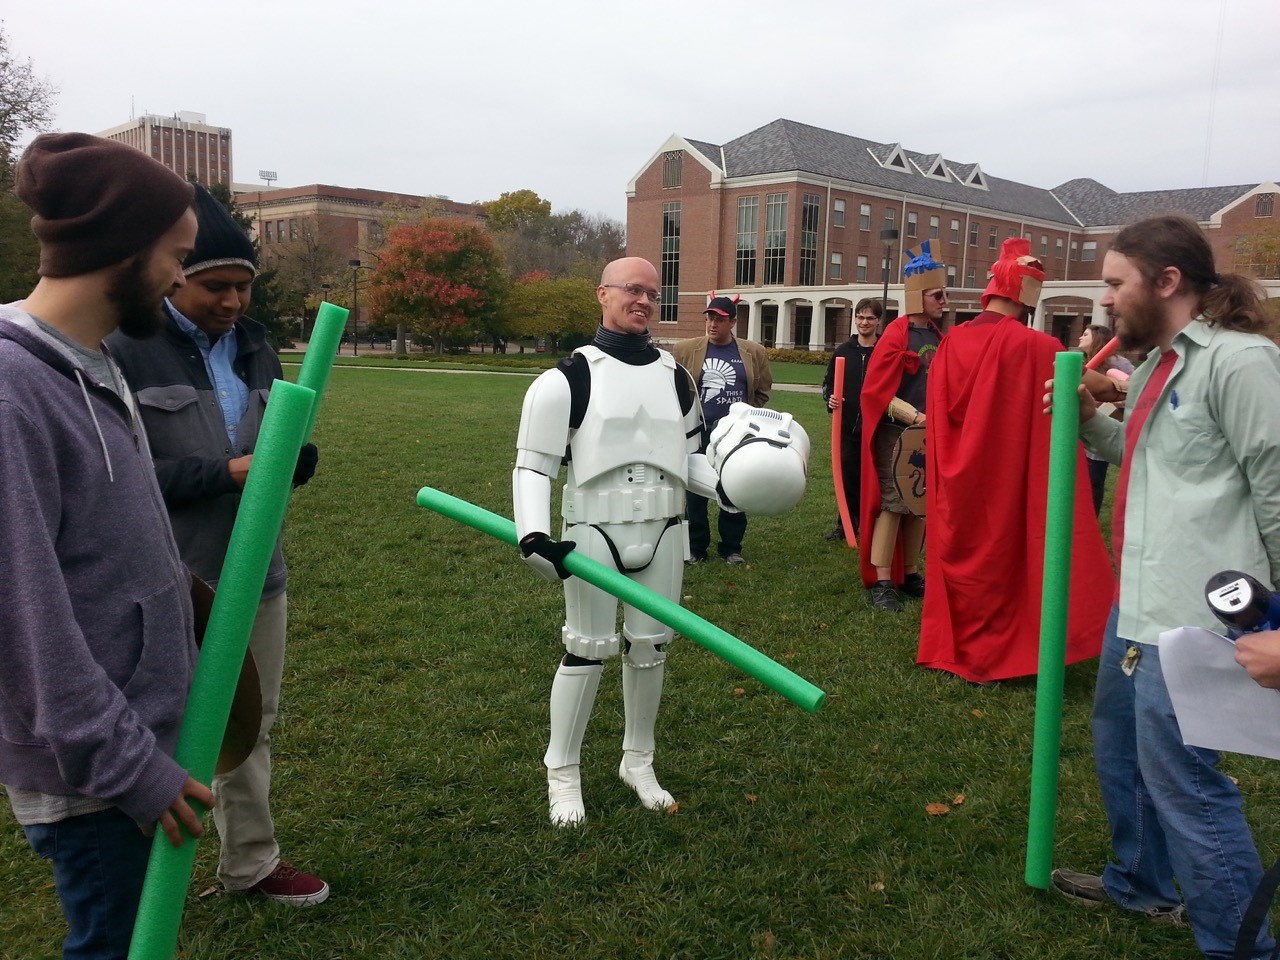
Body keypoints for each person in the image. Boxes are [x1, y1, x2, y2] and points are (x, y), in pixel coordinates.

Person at [0, 132, 213, 960]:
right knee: (116, 947)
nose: (179, 279)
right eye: (176, 256)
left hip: (133, 743)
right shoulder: (14, 391)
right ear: (124, 248)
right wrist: (133, 770)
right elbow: (25, 623)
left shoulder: (87, 361)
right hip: (94, 776)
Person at [1048, 215, 1280, 959]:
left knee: (1187, 787)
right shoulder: (1155, 366)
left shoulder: (1239, 364)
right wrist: (1090, 421)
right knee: (1121, 750)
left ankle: (1240, 948)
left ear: (1168, 282)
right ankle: (1141, 885)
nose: (1108, 301)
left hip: (1194, 617)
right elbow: (1151, 460)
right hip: (1137, 604)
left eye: (1117, 284)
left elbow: (1278, 491)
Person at [106, 185, 328, 907]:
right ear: (174, 277)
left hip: (256, 569)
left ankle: (251, 865)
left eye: (243, 286)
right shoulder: (125, 346)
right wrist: (227, 473)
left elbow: (266, 443)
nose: (233, 302)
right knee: (149, 730)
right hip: (161, 576)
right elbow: (115, 473)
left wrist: (287, 463)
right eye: (216, 287)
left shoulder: (258, 344)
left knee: (248, 725)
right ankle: (140, 885)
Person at [513, 257, 723, 827]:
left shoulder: (675, 376)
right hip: (593, 532)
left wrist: (734, 485)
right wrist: (532, 535)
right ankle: (563, 772)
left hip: (664, 528)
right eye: (632, 289)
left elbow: (690, 458)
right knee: (586, 649)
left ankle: (639, 760)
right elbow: (533, 466)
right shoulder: (568, 378)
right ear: (602, 294)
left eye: (653, 293)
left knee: (650, 649)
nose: (644, 301)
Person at [917, 238, 1112, 683]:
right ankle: (1002, 650)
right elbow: (1094, 386)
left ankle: (962, 645)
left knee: (963, 551)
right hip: (1007, 473)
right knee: (1007, 553)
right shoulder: (1038, 346)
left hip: (956, 473)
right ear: (1027, 293)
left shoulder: (952, 342)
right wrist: (1121, 388)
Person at [858, 242, 946, 611]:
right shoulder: (895, 333)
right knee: (894, 505)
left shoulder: (939, 336)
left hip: (929, 436)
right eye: (937, 295)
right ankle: (882, 581)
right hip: (897, 434)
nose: (944, 300)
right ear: (917, 296)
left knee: (919, 506)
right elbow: (876, 392)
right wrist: (915, 417)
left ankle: (909, 572)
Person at [672, 295, 773, 564]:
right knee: (695, 490)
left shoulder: (753, 352)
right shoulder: (685, 349)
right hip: (698, 431)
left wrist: (744, 415)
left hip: (734, 434)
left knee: (734, 486)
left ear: (733, 322)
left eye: (719, 319)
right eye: (709, 318)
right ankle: (696, 548)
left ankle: (731, 548)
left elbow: (762, 391)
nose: (712, 324)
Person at [821, 298, 882, 541]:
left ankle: (870, 525)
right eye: (860, 317)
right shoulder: (843, 351)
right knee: (848, 477)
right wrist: (830, 400)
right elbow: (828, 384)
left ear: (878, 321)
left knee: (873, 479)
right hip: (847, 429)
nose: (864, 322)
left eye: (869, 318)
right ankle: (845, 525)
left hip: (877, 429)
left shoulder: (884, 351)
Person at [1076, 324, 1133, 515]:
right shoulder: (1087, 362)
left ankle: (1091, 517)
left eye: (1085, 334)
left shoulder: (1119, 363)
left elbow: (1136, 391)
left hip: (1109, 426)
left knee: (1094, 479)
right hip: (1089, 428)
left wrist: (1116, 396)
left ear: (1098, 338)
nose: (1080, 338)